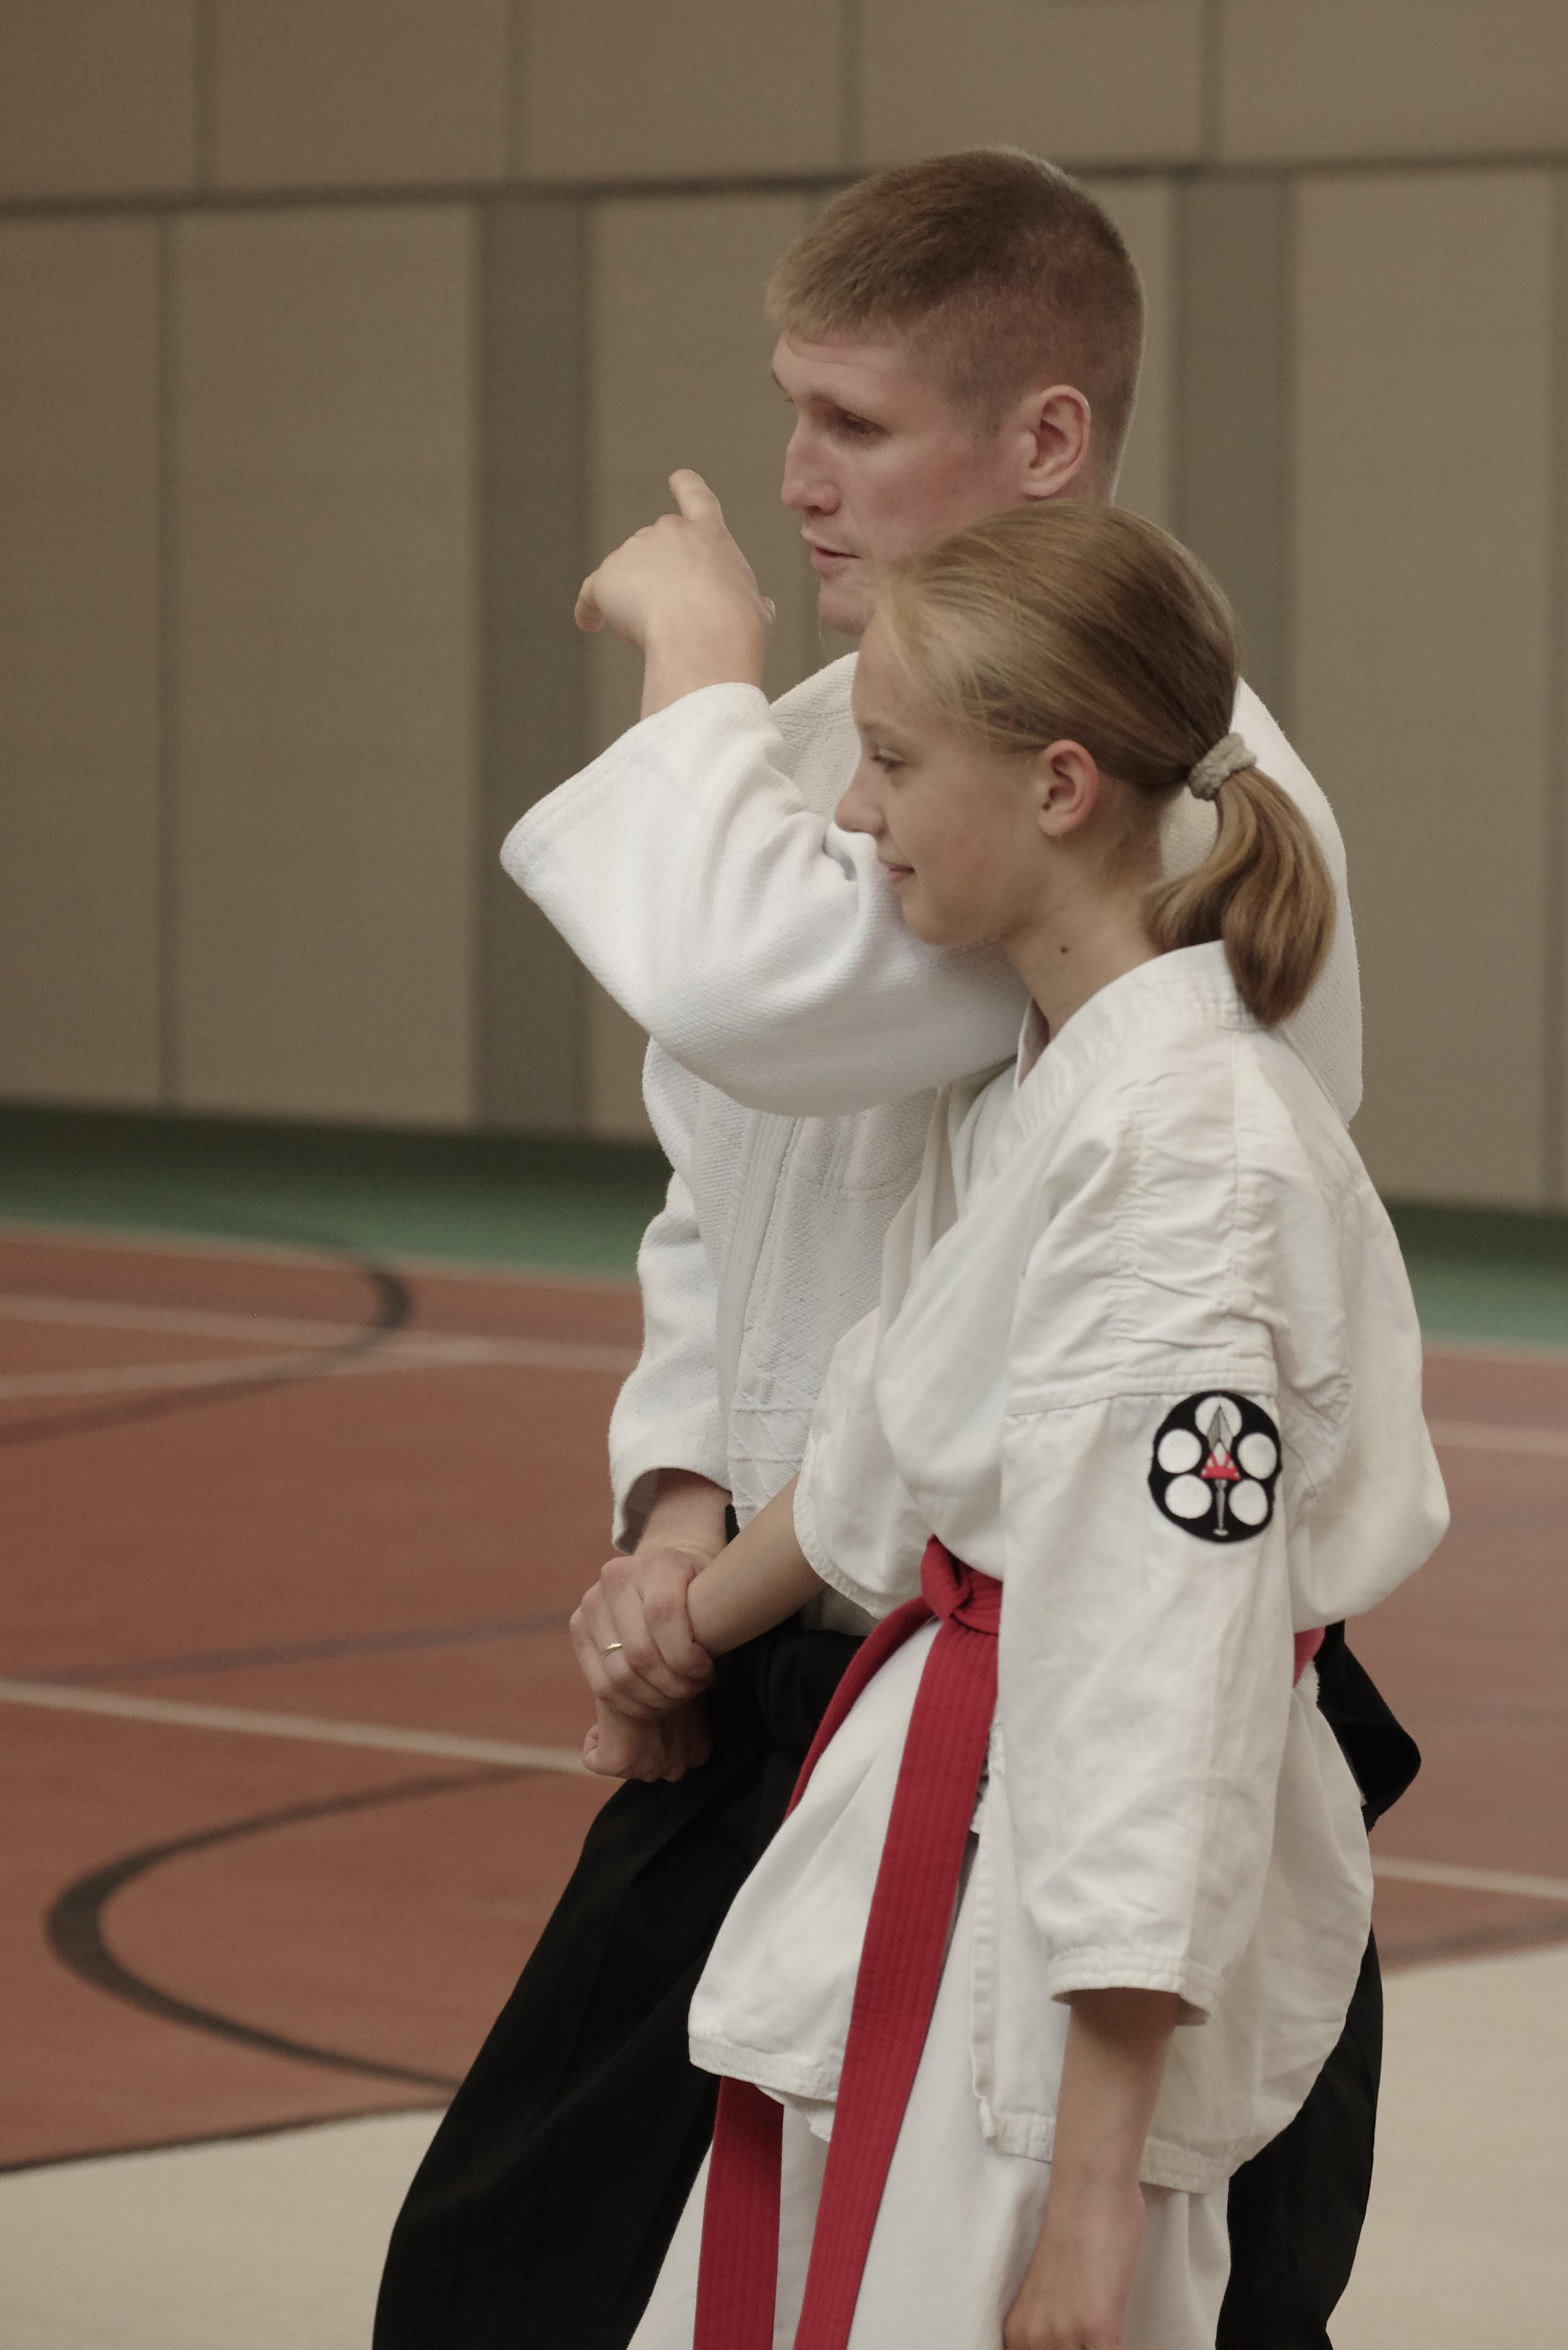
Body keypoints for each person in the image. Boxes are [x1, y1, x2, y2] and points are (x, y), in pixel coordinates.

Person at [374, 151, 1415, 2350]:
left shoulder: (1165, 824)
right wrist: (676, 1547)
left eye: (850, 423)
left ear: (1043, 440)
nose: (795, 476)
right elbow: (743, 1219)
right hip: (808, 1669)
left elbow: (745, 981)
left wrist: (687, 649)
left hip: (1060, 1747)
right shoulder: (877, 774)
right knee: (507, 2276)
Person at [586, 502, 1448, 2350]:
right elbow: (885, 1465)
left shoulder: (1195, 1167)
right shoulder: (1046, 1089)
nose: (851, 812)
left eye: (892, 762)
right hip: (939, 1862)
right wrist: (672, 1630)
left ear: (1061, 786)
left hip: (1042, 1999)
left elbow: (1166, 1689)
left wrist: (1087, 2203)